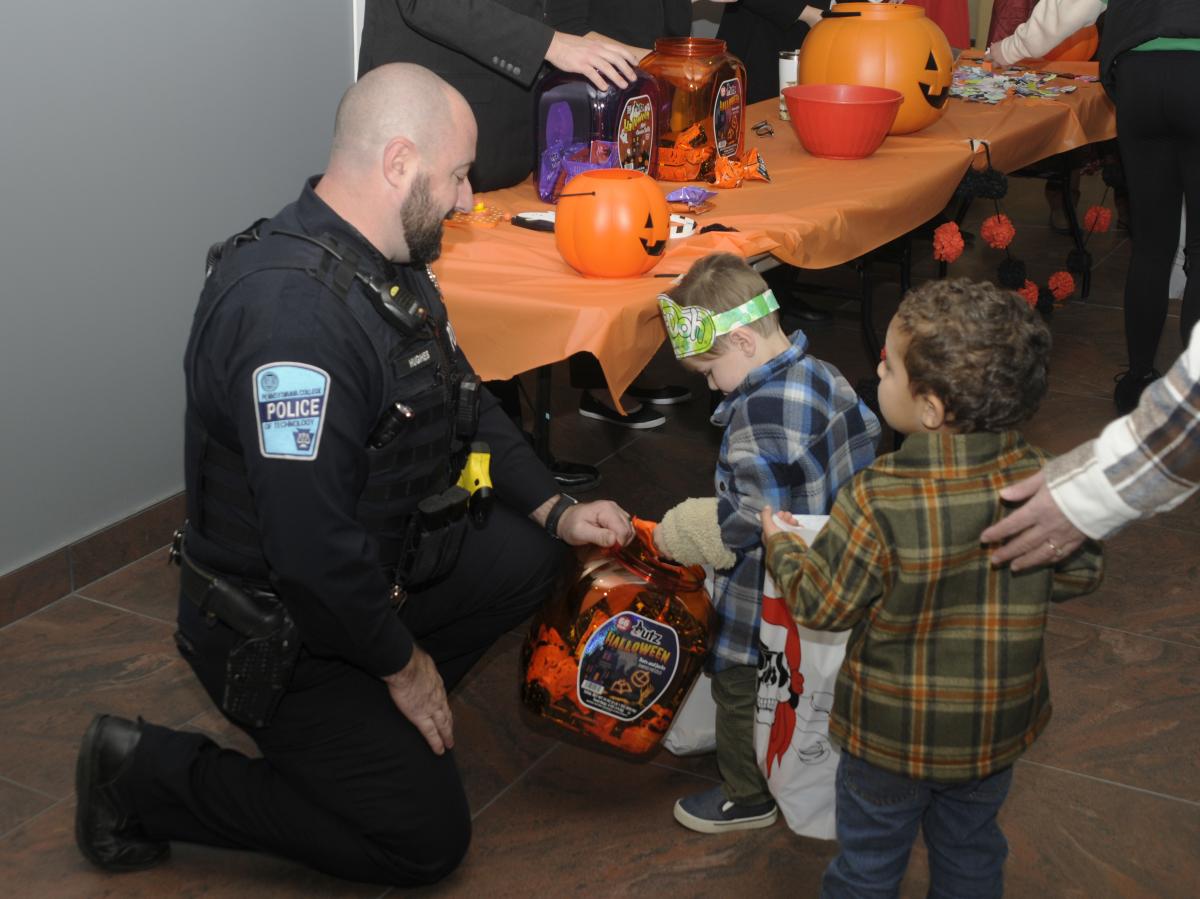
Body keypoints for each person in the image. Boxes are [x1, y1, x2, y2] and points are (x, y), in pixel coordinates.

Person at [72, 64, 634, 888]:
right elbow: (309, 553)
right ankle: (142, 772)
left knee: (530, 554)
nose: (467, 198)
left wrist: (556, 508)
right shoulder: (293, 324)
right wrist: (404, 667)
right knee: (423, 840)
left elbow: (466, 401)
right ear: (401, 162)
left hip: (374, 574)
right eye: (458, 174)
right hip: (279, 628)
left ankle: (372, 717)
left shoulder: (384, 258)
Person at [760, 279, 1104, 898]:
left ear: (929, 410)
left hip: (889, 739)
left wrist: (781, 542)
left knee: (867, 867)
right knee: (972, 851)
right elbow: (1081, 571)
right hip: (994, 731)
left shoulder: (876, 495)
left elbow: (821, 605)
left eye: (889, 367)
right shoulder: (1046, 483)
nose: (877, 369)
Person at [652, 253, 880, 832]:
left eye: (709, 370)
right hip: (836, 556)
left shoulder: (759, 414)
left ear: (745, 342)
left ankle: (746, 794)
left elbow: (753, 520)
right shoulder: (824, 373)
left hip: (766, 585)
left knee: (737, 679)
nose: (709, 384)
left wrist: (698, 530)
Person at [990, 0, 1200, 413]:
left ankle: (1137, 380)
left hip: (1139, 77)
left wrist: (1007, 50)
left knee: (1151, 246)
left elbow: (1069, 6)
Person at [982, 320, 1200, 570]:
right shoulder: (1040, 467)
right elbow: (1084, 572)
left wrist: (1087, 496)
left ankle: (1139, 373)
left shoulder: (1044, 483)